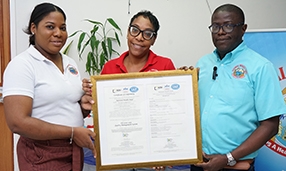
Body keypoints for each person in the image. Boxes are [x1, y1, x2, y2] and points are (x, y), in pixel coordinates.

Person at [82, 10, 190, 171]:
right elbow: (104, 112)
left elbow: (170, 115)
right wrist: (89, 93)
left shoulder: (165, 66)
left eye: (147, 34)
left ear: (154, 39)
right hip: (117, 149)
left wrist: (182, 83)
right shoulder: (110, 67)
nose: (139, 37)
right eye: (135, 30)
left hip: (152, 154)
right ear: (128, 32)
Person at [185, 4, 286, 171]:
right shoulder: (202, 64)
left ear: (243, 29)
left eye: (228, 25)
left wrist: (228, 158)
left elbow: (270, 125)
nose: (221, 31)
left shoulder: (260, 67)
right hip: (199, 164)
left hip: (234, 165)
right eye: (215, 26)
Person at [3, 3, 96, 171]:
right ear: (33, 28)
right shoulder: (22, 65)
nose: (58, 33)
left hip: (72, 150)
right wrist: (73, 132)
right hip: (42, 154)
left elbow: (62, 106)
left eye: (63, 27)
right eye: (50, 27)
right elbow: (17, 123)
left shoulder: (69, 62)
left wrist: (83, 106)